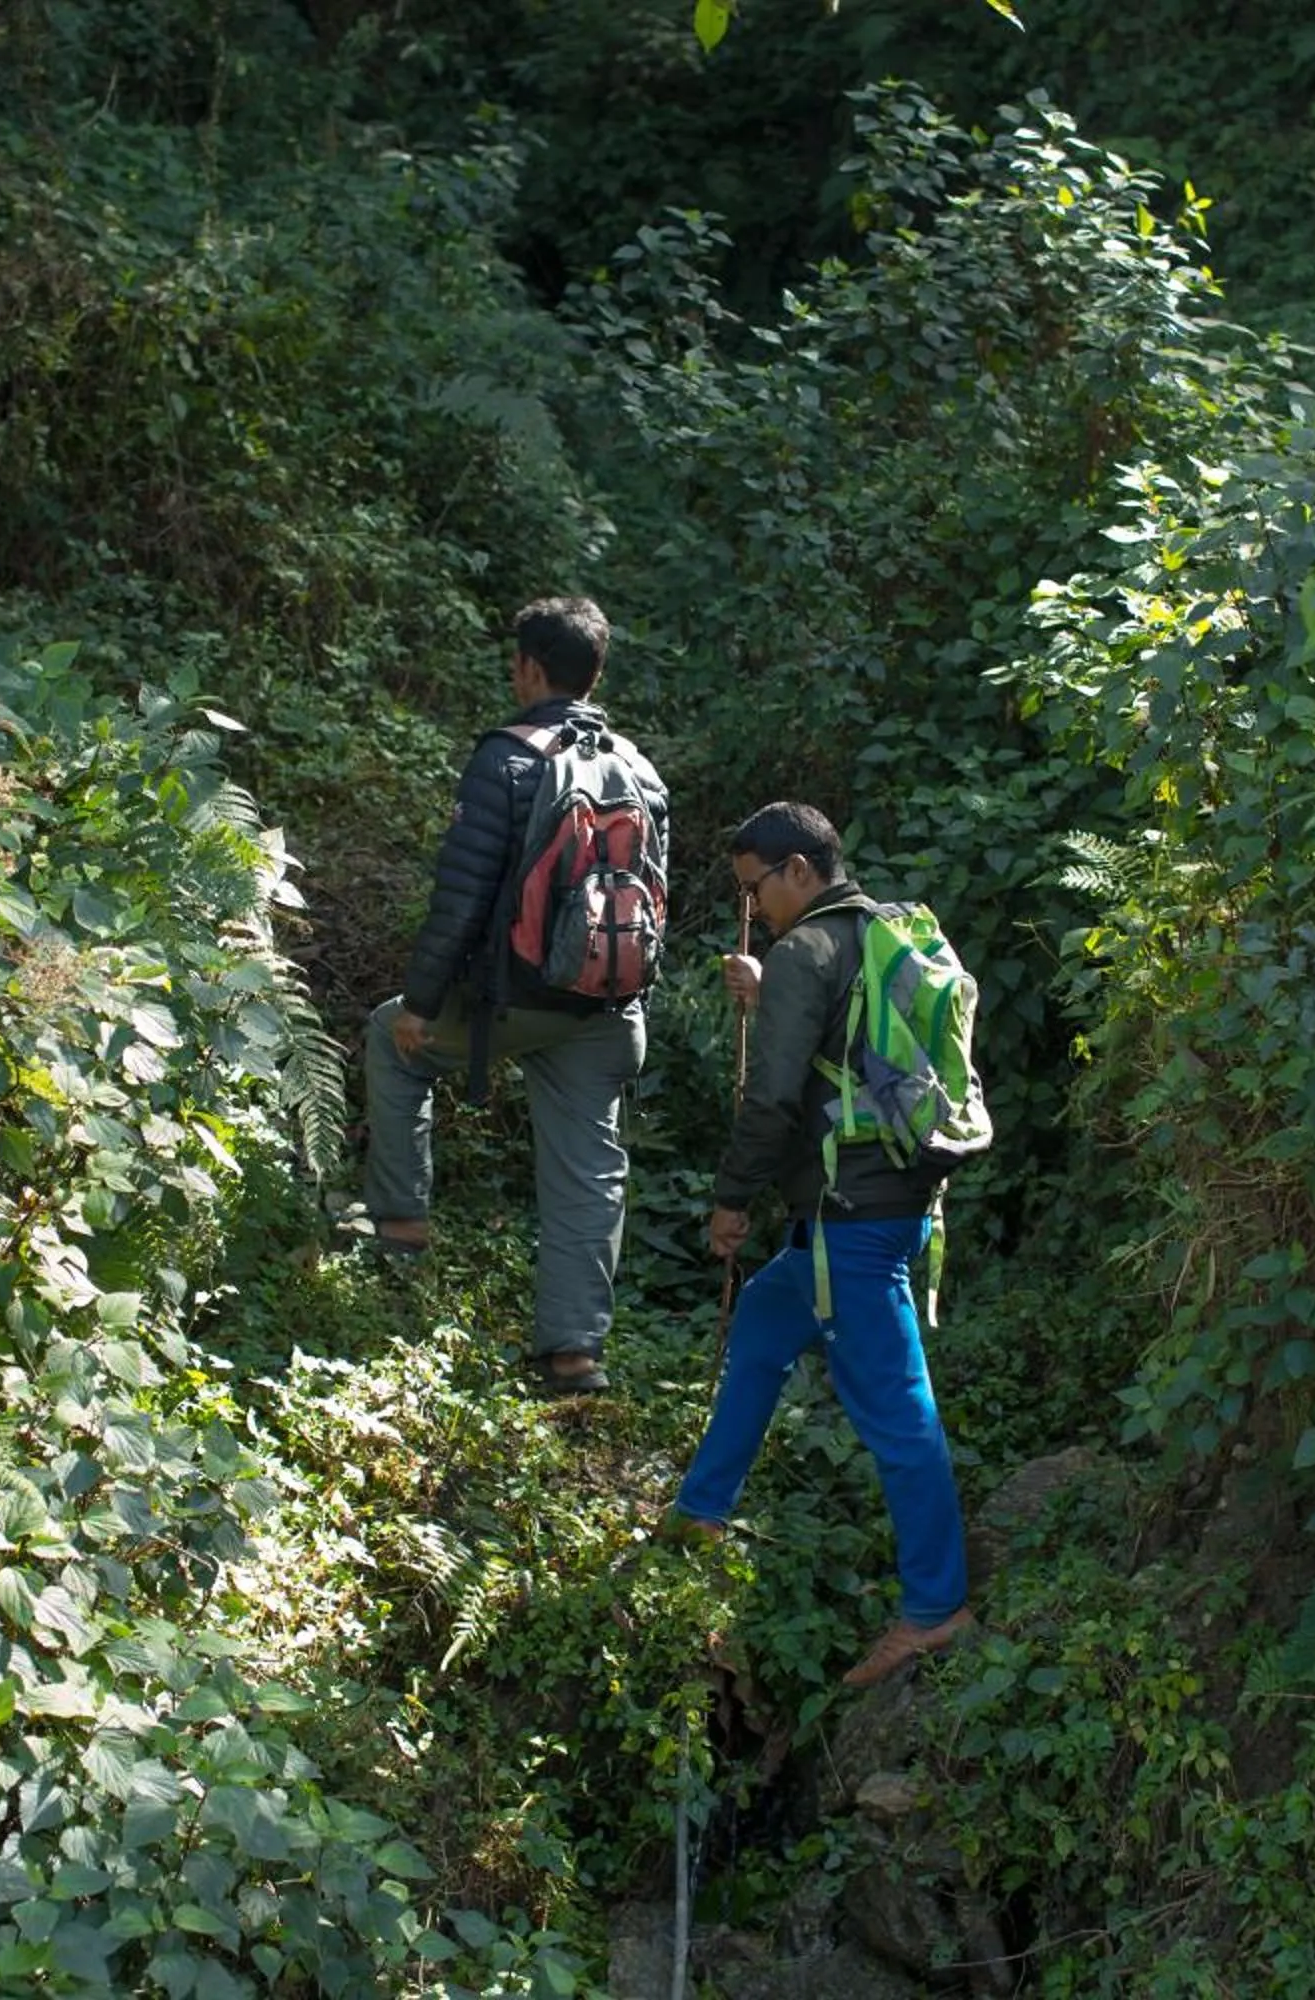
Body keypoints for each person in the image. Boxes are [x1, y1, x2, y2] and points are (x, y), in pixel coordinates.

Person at [665, 802, 973, 1688]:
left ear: (799, 870)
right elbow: (847, 1048)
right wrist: (771, 993)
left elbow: (770, 1099)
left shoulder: (807, 951)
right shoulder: (877, 933)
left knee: (897, 1411)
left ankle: (936, 1610)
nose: (752, 907)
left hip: (852, 1220)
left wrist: (731, 1201)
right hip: (889, 1201)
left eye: (756, 887)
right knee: (764, 1321)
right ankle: (701, 1511)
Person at [358, 596, 668, 1397]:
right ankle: (573, 1357)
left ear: (530, 667)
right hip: (607, 1010)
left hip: (516, 1002)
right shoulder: (640, 769)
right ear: (596, 672)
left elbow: (461, 899)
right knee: (590, 1173)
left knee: (389, 1036)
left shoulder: (508, 758)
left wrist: (423, 1003)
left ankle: (400, 1227)